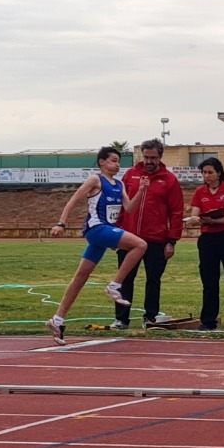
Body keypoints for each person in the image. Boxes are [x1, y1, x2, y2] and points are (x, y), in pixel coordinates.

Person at [46, 146, 149, 345]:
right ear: (102, 162)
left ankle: (57, 320)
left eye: (119, 161)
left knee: (80, 278)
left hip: (103, 233)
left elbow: (129, 208)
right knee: (140, 245)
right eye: (113, 160)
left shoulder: (120, 184)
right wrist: (61, 223)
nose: (117, 165)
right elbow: (74, 200)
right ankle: (115, 285)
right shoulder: (95, 180)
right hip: (97, 229)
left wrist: (142, 190)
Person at [113, 139, 186, 329]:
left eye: (153, 158)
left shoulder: (169, 180)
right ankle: (121, 319)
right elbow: (121, 205)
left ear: (160, 157)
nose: (149, 161)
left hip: (157, 239)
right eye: (146, 157)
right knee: (124, 278)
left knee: (153, 280)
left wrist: (172, 240)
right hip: (129, 239)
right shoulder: (131, 175)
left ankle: (150, 317)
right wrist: (116, 233)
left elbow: (176, 212)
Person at [184, 156, 224, 330]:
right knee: (209, 282)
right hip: (208, 239)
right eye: (204, 172)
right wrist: (197, 219)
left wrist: (213, 220)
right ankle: (208, 321)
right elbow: (195, 215)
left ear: (218, 173)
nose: (207, 176)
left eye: (210, 172)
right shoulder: (200, 192)